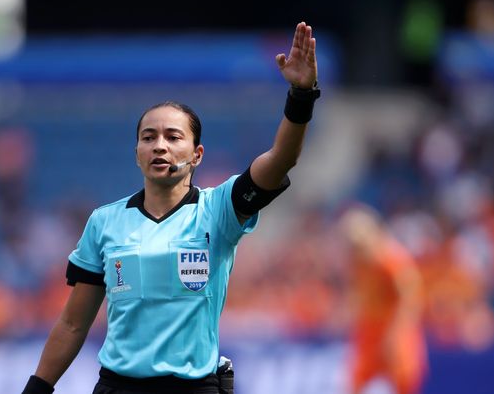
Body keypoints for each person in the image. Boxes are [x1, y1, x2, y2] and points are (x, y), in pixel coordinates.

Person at [22, 21, 321, 394]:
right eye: (149, 138)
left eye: (172, 137)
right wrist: (37, 388)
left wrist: (301, 94)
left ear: (197, 155)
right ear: (137, 154)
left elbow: (282, 159)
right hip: (119, 388)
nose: (159, 146)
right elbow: (72, 325)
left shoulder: (219, 210)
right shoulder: (104, 222)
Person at [338, 204, 427, 394]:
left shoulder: (391, 259)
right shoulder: (358, 261)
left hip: (393, 331)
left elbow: (410, 297)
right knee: (356, 382)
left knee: (402, 380)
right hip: (369, 330)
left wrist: (397, 333)